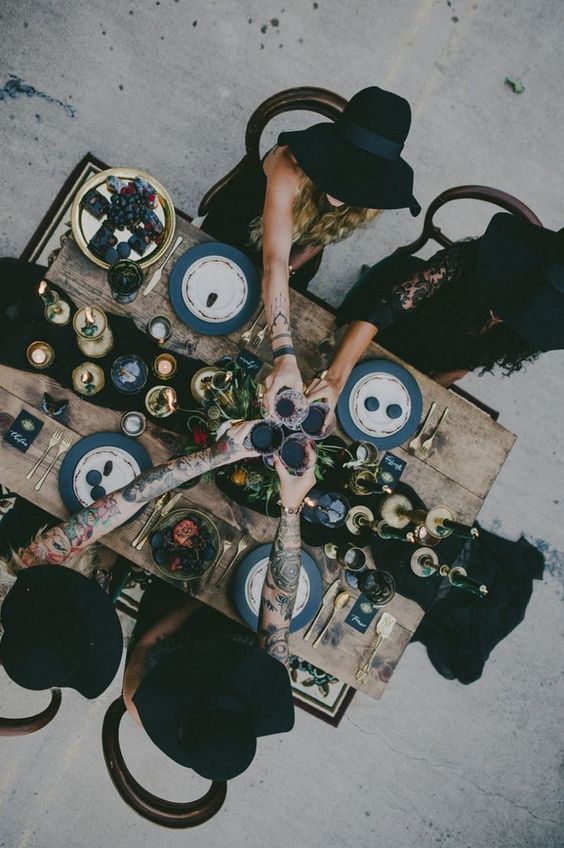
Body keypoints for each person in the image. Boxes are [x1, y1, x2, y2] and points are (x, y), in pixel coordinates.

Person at [201, 86, 420, 417]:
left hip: (297, 252)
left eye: (359, 181)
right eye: (341, 172)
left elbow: (325, 234)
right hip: (240, 226)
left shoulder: (373, 193)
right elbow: (274, 261)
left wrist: (295, 267)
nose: (345, 191)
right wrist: (285, 354)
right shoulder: (289, 164)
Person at [0, 421, 260, 698]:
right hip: (93, 556)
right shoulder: (60, 632)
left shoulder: (35, 563)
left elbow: (129, 497)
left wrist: (219, 454)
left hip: (50, 505)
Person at [122, 448, 317, 782]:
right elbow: (280, 595)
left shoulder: (142, 702)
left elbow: (145, 645)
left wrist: (198, 600)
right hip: (233, 629)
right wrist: (292, 507)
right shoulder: (262, 682)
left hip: (174, 622)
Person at [306, 213, 564, 417]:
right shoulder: (472, 259)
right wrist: (335, 380)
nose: (505, 314)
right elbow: (383, 310)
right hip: (395, 325)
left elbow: (466, 365)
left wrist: (421, 395)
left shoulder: (542, 323)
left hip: (432, 360)